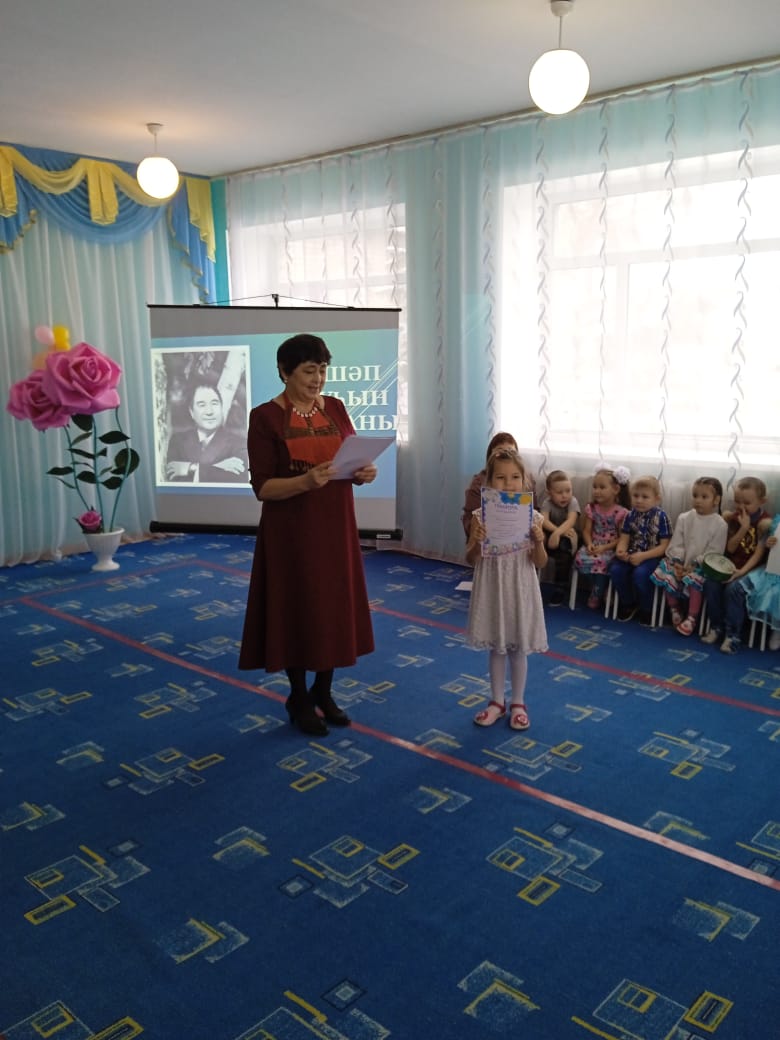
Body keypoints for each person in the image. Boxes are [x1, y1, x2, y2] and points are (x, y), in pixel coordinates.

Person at [238, 333, 377, 735]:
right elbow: (263, 487)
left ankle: (323, 691)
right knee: (298, 609)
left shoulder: (335, 408)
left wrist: (363, 473)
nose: (318, 379)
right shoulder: (265, 417)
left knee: (332, 607)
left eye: (322, 370)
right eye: (308, 371)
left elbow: (349, 462)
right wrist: (305, 482)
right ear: (284, 372)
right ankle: (298, 696)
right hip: (291, 533)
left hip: (336, 526)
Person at [465, 447, 548, 731]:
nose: (508, 483)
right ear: (489, 482)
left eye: (514, 477)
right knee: (497, 646)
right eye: (500, 478)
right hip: (493, 586)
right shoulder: (480, 516)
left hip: (519, 586)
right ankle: (497, 701)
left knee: (518, 647)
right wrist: (477, 541)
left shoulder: (533, 518)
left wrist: (539, 541)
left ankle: (518, 703)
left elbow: (540, 562)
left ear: (524, 481)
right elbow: (471, 558)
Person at [701, 476, 772, 654]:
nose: (741, 506)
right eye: (737, 501)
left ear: (761, 501)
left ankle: (733, 635)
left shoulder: (764, 523)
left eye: (747, 503)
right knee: (711, 583)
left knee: (734, 589)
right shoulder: (733, 518)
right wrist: (743, 528)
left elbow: (758, 555)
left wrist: (741, 572)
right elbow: (730, 548)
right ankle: (717, 627)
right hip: (732, 563)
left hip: (753, 568)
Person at [650, 477, 728, 635]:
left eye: (704, 497)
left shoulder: (720, 524)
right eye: (695, 495)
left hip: (701, 566)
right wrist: (678, 562)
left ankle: (692, 618)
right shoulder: (684, 518)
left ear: (716, 500)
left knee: (695, 581)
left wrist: (693, 565)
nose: (698, 500)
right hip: (681, 563)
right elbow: (677, 543)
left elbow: (714, 552)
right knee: (667, 573)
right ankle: (674, 609)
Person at [609, 475, 671, 625]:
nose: (639, 500)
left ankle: (646, 608)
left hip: (652, 556)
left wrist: (643, 556)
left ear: (656, 499)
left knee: (641, 574)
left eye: (645, 497)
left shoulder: (661, 517)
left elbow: (664, 546)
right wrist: (621, 551)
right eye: (636, 496)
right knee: (616, 570)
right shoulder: (630, 516)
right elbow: (624, 539)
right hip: (631, 554)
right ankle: (629, 603)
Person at [166, 380, 248, 483]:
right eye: (202, 405)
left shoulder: (240, 443)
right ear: (192, 412)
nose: (209, 411)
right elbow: (172, 477)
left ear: (221, 408)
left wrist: (191, 468)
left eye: (214, 403)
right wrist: (218, 468)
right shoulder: (178, 440)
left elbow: (238, 478)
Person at [573, 465, 631, 610]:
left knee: (602, 562)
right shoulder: (591, 508)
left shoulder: (621, 512)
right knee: (580, 559)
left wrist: (604, 547)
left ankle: (597, 593)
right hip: (594, 544)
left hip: (610, 548)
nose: (597, 491)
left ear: (615, 489)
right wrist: (589, 544)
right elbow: (586, 530)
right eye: (595, 487)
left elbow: (622, 538)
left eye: (602, 487)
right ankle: (599, 587)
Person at [461, 432, 534, 540]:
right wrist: (478, 532)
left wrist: (536, 535)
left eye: (511, 451)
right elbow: (470, 518)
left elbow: (534, 512)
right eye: (500, 451)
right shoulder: (479, 483)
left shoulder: (526, 480)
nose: (505, 455)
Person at [541, 469, 580, 606]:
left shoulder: (573, 501)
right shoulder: (547, 503)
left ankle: (560, 587)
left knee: (564, 552)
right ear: (549, 493)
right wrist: (555, 532)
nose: (565, 496)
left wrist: (558, 534)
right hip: (551, 535)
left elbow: (571, 521)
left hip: (568, 537)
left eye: (568, 491)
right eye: (559, 492)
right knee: (537, 540)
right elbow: (544, 521)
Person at [743, 514, 780, 651]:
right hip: (775, 572)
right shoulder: (777, 522)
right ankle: (777, 630)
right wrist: (770, 544)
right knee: (773, 594)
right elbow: (769, 546)